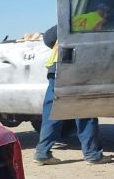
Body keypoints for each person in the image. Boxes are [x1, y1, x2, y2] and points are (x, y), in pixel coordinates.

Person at [34, 23, 107, 165]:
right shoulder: (93, 18)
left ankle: (42, 152)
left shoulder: (67, 17)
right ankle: (93, 154)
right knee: (85, 111)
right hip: (76, 68)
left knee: (53, 113)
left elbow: (48, 38)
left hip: (56, 69)